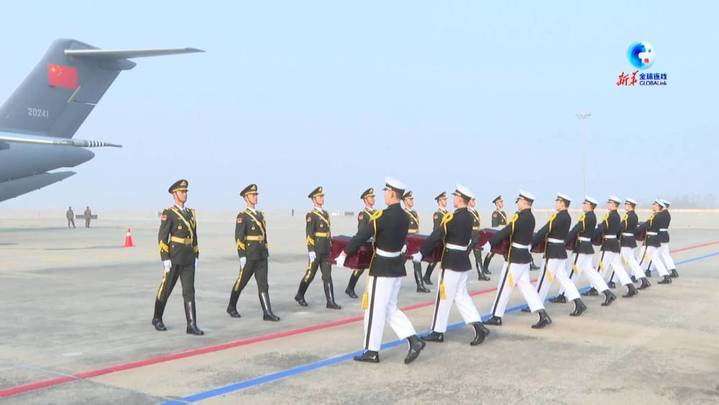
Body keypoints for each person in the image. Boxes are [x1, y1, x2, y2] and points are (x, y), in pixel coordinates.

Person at [335, 177, 425, 364]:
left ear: (391, 194)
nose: (383, 194)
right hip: (397, 267)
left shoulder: (382, 216)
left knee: (374, 310)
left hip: (382, 268)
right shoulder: (405, 217)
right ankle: (414, 340)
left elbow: (361, 236)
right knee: (390, 308)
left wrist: (344, 252)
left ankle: (371, 351)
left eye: (386, 191)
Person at [414, 185, 490, 345]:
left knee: (443, 297)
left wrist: (421, 253)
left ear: (460, 199)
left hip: (451, 262)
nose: (453, 199)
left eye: (455, 196)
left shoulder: (451, 218)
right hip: (462, 260)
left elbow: (436, 236)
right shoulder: (469, 217)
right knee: (462, 296)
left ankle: (437, 331)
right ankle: (479, 326)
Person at [484, 190, 552, 329]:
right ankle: (543, 314)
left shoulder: (520, 217)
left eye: (519, 200)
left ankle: (496, 316)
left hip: (514, 258)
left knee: (504, 286)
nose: (518, 203)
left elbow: (507, 230)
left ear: (524, 202)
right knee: (527, 288)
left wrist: (490, 243)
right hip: (524, 257)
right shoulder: (531, 217)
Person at [152, 179, 203, 335]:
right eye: (182, 192)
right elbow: (162, 237)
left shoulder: (190, 213)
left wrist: (196, 254)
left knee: (189, 291)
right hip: (174, 256)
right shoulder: (169, 213)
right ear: (174, 194)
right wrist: (165, 258)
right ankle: (157, 318)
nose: (185, 194)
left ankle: (191, 325)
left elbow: (194, 236)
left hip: (188, 256)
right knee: (166, 288)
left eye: (186, 191)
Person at [226, 184, 280, 321]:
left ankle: (267, 312)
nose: (255, 197)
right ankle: (231, 306)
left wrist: (266, 249)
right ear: (246, 197)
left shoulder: (260, 215)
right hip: (250, 255)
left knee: (263, 284)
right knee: (241, 282)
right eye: (252, 195)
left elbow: (264, 235)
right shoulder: (243, 216)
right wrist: (242, 255)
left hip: (261, 254)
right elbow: (239, 237)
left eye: (256, 195)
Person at [529, 193, 587, 316]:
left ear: (562, 203)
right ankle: (578, 302)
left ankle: (536, 304)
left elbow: (545, 230)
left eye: (557, 201)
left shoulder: (559, 216)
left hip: (552, 251)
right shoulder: (567, 217)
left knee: (544, 279)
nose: (556, 203)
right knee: (564, 279)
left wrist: (532, 243)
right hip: (560, 251)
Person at [295, 186, 342, 309]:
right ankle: (300, 295)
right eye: (319, 197)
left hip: (326, 249)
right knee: (310, 275)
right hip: (316, 250)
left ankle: (330, 301)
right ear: (314, 199)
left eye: (322, 196)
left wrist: (331, 246)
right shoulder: (311, 215)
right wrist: (311, 250)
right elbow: (309, 234)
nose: (322, 198)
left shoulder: (325, 214)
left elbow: (328, 232)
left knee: (327, 276)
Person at [569, 197, 617, 305]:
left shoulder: (587, 216)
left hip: (581, 248)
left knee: (571, 273)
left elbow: (576, 229)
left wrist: (564, 241)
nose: (583, 205)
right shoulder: (592, 216)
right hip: (587, 247)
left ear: (590, 206)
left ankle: (565, 295)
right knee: (591, 273)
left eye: (585, 203)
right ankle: (608, 293)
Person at [599, 196, 639, 298]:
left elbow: (605, 227)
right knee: (618, 267)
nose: (608, 204)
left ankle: (595, 288)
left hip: (608, 244)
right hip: (614, 243)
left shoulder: (611, 215)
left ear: (613, 204)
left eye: (609, 202)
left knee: (601, 266)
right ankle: (630, 287)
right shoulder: (617, 215)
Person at [345, 188, 376, 298]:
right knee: (360, 268)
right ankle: (350, 288)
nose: (373, 199)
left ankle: (373, 290)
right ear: (365, 199)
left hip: (375, 244)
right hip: (366, 244)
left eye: (373, 197)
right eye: (371, 197)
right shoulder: (363, 214)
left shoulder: (376, 213)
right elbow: (362, 231)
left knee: (374, 268)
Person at [637, 200, 673, 284]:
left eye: (654, 204)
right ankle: (666, 276)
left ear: (659, 206)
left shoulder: (657, 216)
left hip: (651, 239)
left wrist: (635, 230)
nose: (652, 205)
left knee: (642, 257)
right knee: (655, 257)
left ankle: (637, 275)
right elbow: (649, 223)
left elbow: (648, 224)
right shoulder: (662, 215)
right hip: (656, 238)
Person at [402, 191, 431, 293]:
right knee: (399, 264)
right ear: (405, 201)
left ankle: (420, 285)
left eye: (412, 199)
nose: (412, 201)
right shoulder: (403, 213)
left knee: (416, 260)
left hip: (414, 242)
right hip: (406, 242)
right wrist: (403, 244)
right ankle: (389, 283)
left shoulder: (414, 213)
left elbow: (416, 229)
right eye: (410, 199)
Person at [620, 198, 651, 289]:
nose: (625, 206)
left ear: (630, 205)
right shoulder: (633, 215)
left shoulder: (629, 216)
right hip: (629, 240)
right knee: (629, 261)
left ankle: (640, 281)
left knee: (627, 262)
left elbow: (623, 227)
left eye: (626, 204)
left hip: (626, 241)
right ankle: (642, 280)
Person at [422, 192, 448, 285]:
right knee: (435, 259)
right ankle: (427, 276)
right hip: (440, 240)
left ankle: (428, 276)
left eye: (446, 199)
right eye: (444, 199)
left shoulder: (447, 213)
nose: (446, 201)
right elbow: (437, 229)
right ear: (439, 201)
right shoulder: (438, 214)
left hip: (446, 240)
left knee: (441, 260)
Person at [482, 195, 507, 273]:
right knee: (491, 252)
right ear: (496, 203)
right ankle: (484, 268)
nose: (502, 203)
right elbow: (495, 226)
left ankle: (508, 267)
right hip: (497, 234)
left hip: (503, 234)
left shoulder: (503, 212)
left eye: (502, 202)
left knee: (505, 251)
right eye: (500, 202)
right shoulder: (495, 213)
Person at [468, 197, 490, 281]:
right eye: (472, 200)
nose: (474, 202)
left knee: (478, 256)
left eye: (474, 200)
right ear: (468, 201)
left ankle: (481, 274)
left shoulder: (475, 212)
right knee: (464, 255)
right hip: (471, 236)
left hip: (476, 236)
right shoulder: (467, 212)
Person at [657, 199, 679, 278]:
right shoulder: (667, 214)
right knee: (665, 254)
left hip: (659, 235)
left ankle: (648, 270)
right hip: (665, 235)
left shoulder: (660, 214)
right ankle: (673, 270)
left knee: (654, 255)